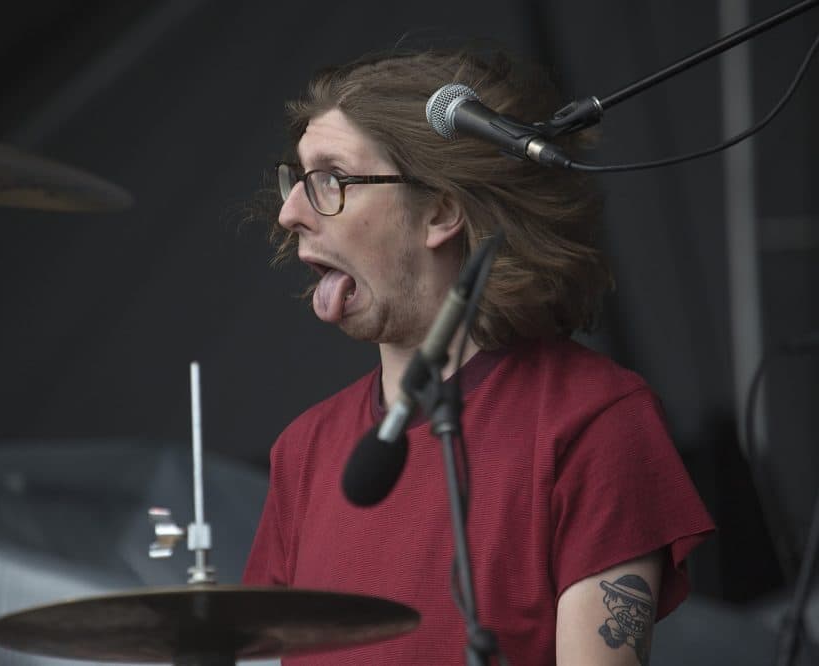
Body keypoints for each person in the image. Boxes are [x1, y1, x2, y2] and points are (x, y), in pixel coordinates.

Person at [243, 47, 715, 666]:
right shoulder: (303, 451)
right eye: (297, 179)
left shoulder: (595, 420)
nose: (290, 213)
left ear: (440, 209)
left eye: (331, 178)